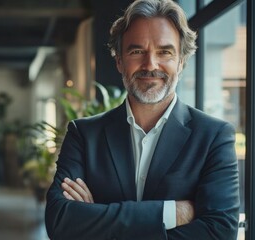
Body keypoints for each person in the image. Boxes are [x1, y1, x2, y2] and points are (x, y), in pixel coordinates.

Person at [45, 0, 240, 239]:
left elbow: (220, 233)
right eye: (137, 51)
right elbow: (60, 222)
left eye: (164, 52)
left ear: (181, 62)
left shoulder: (213, 136)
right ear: (119, 61)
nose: (150, 65)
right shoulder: (84, 135)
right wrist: (170, 213)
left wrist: (96, 217)